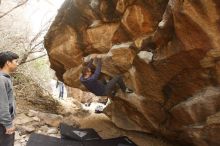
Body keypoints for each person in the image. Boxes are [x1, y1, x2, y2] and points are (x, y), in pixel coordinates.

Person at [0, 51, 19, 146]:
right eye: (16, 61)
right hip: (2, 124)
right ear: (8, 62)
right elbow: (2, 104)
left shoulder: (5, 78)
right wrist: (8, 124)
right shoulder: (1, 79)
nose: (17, 63)